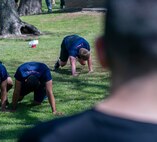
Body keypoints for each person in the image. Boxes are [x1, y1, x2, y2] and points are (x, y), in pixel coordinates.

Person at [19, 0, 157, 141]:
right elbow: (73, 63)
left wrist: (88, 70)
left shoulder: (43, 137)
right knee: (63, 62)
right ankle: (58, 63)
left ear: (101, 52)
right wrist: (74, 73)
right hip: (66, 43)